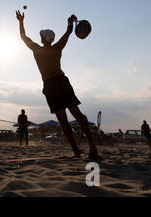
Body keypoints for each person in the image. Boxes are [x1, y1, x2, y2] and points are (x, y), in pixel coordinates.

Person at [16, 10, 102, 160]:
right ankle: (93, 149)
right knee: (78, 115)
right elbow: (69, 32)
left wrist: (21, 21)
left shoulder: (37, 49)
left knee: (63, 121)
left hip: (50, 86)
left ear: (43, 38)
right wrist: (70, 22)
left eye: (41, 35)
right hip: (62, 82)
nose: (40, 36)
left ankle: (76, 151)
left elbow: (23, 36)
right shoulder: (57, 48)